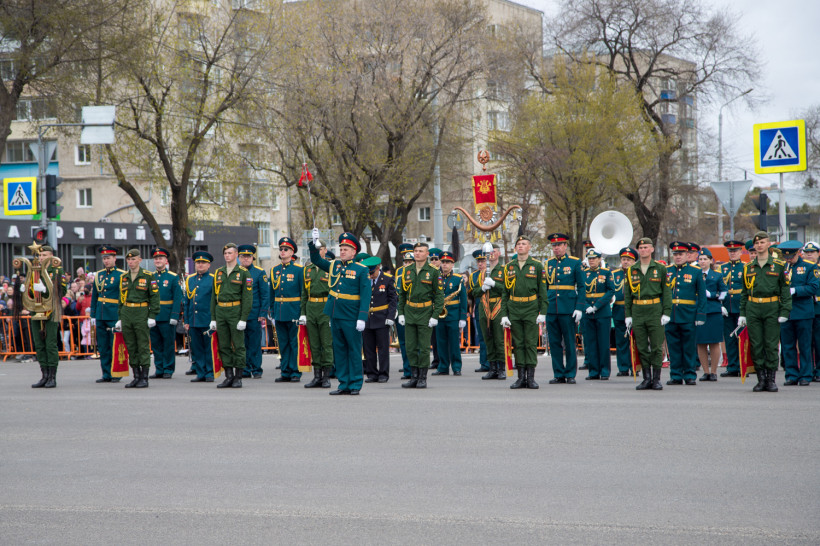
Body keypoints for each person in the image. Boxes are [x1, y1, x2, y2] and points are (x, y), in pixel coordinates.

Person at [308, 231, 371, 395]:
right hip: (335, 314)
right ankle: (343, 383)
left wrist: (362, 317)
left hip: (351, 315)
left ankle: (355, 383)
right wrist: (314, 244)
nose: (342, 251)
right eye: (341, 248)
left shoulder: (361, 270)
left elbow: (366, 295)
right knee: (340, 350)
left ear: (353, 252)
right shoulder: (334, 265)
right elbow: (316, 260)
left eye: (345, 249)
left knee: (354, 350)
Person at [738, 231, 792, 392]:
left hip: (772, 307)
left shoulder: (779, 266)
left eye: (762, 242)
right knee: (756, 344)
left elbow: (785, 291)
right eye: (757, 243)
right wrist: (742, 314)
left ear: (769, 244)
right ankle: (761, 379)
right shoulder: (748, 267)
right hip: (753, 307)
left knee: (771, 344)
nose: (759, 245)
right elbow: (744, 293)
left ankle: (771, 379)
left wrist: (785, 311)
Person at [499, 235, 547, 389]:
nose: (520, 246)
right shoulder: (509, 267)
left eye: (524, 243)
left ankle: (531, 378)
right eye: (518, 244)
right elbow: (504, 293)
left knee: (530, 343)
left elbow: (542, 291)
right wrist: (504, 314)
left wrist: (543, 312)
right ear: (515, 248)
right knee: (518, 343)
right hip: (514, 308)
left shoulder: (537, 266)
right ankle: (521, 378)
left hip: (531, 307)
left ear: (529, 247)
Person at [624, 237, 672, 390]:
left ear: (652, 249)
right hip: (638, 310)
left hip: (654, 309)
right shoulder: (632, 269)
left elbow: (666, 292)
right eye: (641, 247)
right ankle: (646, 378)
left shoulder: (660, 268)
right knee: (642, 346)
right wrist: (628, 315)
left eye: (646, 247)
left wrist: (666, 312)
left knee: (657, 346)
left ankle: (656, 379)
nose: (643, 250)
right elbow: (627, 295)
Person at [397, 242, 444, 389]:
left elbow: (439, 296)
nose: (417, 253)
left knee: (423, 347)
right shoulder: (407, 270)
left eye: (421, 251)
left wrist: (435, 315)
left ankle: (422, 378)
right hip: (410, 311)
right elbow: (402, 294)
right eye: (416, 251)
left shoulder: (433, 271)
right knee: (410, 347)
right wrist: (401, 313)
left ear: (427, 254)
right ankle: (414, 376)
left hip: (425, 312)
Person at [544, 233, 584, 384]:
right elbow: (545, 287)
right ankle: (558, 373)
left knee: (569, 342)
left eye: (559, 245)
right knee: (554, 343)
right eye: (554, 245)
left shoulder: (575, 262)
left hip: (568, 308)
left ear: (565, 246)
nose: (556, 248)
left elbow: (581, 286)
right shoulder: (548, 263)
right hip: (551, 308)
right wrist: (542, 309)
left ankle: (570, 374)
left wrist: (579, 307)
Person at [210, 243, 253, 389]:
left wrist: (243, 318)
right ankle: (228, 376)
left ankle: (238, 377)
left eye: (230, 253)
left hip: (235, 310)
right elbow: (213, 297)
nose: (227, 256)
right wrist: (213, 318)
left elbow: (247, 297)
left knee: (239, 345)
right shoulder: (219, 272)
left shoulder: (243, 273)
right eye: (225, 253)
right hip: (221, 310)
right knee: (224, 345)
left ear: (236, 255)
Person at [664, 242, 706, 386]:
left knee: (689, 347)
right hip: (671, 314)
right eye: (675, 254)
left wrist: (701, 314)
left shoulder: (696, 271)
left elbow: (701, 295)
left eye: (680, 254)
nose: (677, 257)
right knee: (673, 347)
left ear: (687, 255)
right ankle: (675, 375)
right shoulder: (667, 271)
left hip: (688, 314)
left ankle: (689, 374)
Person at [25, 244, 66, 389]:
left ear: (51, 256)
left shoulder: (56, 270)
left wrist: (46, 289)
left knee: (50, 344)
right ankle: (44, 375)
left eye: (44, 255)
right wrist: (26, 290)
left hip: (51, 309)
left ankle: (52, 376)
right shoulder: (34, 270)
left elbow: (63, 290)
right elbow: (30, 288)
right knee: (39, 344)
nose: (41, 258)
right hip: (36, 309)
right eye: (40, 255)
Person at [117, 249, 160, 388]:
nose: (131, 262)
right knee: (131, 345)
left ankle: (144, 377)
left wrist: (152, 315)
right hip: (127, 312)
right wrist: (120, 317)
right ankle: (136, 376)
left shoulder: (148, 276)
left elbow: (154, 297)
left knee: (142, 345)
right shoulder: (124, 277)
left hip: (141, 311)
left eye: (133, 259)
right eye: (128, 260)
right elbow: (121, 298)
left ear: (139, 260)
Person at [778, 240, 817, 386]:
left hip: (803, 311)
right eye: (786, 257)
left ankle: (806, 375)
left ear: (798, 253)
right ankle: (791, 374)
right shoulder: (782, 268)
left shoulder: (809, 267)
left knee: (805, 345)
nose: (788, 259)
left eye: (791, 256)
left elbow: (813, 287)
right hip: (786, 312)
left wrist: (795, 290)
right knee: (787, 345)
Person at [300, 242, 335, 388]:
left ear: (325, 250)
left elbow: (334, 292)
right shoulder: (307, 270)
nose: (318, 252)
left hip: (325, 307)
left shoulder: (330, 268)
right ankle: (317, 376)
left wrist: (332, 313)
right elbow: (304, 293)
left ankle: (326, 376)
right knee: (314, 344)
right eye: (315, 250)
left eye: (320, 249)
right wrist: (303, 313)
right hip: (311, 307)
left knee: (326, 344)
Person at [270, 237, 304, 383]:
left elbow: (303, 293)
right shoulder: (274, 270)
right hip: (279, 311)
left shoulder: (299, 270)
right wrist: (272, 311)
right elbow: (272, 293)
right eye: (281, 249)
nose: (283, 251)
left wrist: (302, 313)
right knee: (283, 343)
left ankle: (295, 371)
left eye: (286, 249)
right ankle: (285, 371)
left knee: (294, 343)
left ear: (292, 252)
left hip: (294, 310)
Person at [472, 244, 506, 380]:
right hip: (484, 307)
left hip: (498, 306)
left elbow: (507, 290)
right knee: (488, 339)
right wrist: (482, 288)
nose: (491, 254)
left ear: (499, 254)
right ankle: (492, 368)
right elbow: (474, 292)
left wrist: (494, 284)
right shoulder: (482, 273)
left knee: (499, 339)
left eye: (493, 251)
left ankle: (501, 368)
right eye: (489, 252)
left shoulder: (503, 270)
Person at [90, 245, 124, 382]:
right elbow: (95, 296)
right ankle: (106, 373)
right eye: (104, 258)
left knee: (114, 345)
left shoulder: (121, 275)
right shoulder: (99, 275)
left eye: (108, 258)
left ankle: (116, 373)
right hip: (101, 314)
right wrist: (93, 315)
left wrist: (121, 316)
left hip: (114, 314)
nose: (106, 261)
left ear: (115, 258)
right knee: (103, 346)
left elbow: (123, 297)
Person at [581, 248, 616, 381]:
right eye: (589, 259)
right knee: (591, 343)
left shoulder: (606, 272)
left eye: (594, 258)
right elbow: (580, 291)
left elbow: (611, 291)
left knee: (603, 343)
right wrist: (586, 306)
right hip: (587, 312)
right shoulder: (583, 273)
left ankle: (605, 371)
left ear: (599, 259)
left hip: (602, 312)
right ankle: (593, 371)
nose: (591, 261)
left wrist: (596, 306)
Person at [363, 255, 397, 382]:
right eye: (369, 273)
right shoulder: (365, 279)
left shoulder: (387, 279)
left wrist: (390, 316)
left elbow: (393, 300)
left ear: (378, 268)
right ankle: (372, 373)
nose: (371, 275)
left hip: (382, 318)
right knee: (369, 348)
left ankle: (383, 373)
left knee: (383, 349)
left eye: (372, 273)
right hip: (367, 318)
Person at [149, 247, 182, 379]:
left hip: (167, 315)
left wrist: (174, 315)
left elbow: (177, 297)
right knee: (156, 345)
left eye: (160, 258)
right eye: (156, 259)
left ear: (166, 261)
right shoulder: (150, 276)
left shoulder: (173, 277)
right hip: (153, 316)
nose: (158, 261)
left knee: (168, 344)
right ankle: (159, 369)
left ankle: (168, 369)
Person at [432, 251, 468, 376]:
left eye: (448, 262)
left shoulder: (458, 279)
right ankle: (443, 367)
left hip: (453, 315)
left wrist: (462, 317)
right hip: (439, 315)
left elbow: (463, 299)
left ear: (453, 265)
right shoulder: (436, 277)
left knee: (454, 343)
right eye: (443, 262)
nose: (445, 264)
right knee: (440, 343)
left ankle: (456, 367)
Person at [238, 244, 270, 379]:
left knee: (254, 343)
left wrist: (263, 313)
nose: (246, 259)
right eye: (243, 256)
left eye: (248, 256)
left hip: (254, 314)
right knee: (241, 343)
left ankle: (256, 369)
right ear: (239, 258)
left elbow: (265, 294)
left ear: (253, 258)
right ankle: (245, 369)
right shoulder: (235, 272)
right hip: (239, 314)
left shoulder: (259, 272)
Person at [696, 248, 728, 381]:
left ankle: (713, 371)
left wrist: (712, 295)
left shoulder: (717, 275)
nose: (702, 261)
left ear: (710, 261)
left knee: (714, 342)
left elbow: (724, 292)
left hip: (713, 310)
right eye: (700, 259)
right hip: (699, 311)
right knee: (701, 342)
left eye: (705, 259)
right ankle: (705, 371)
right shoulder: (695, 274)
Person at [185, 251, 215, 382]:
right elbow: (187, 301)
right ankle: (200, 372)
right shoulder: (190, 279)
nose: (200, 265)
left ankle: (209, 372)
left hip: (207, 319)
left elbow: (216, 301)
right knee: (197, 348)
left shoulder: (213, 279)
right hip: (194, 320)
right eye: (198, 263)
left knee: (209, 348)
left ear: (209, 265)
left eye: (203, 263)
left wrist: (215, 319)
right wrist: (187, 320)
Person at [720, 240, 746, 378]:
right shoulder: (722, 268)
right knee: (729, 338)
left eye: (735, 251)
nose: (733, 253)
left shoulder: (745, 267)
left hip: (741, 306)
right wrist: (720, 305)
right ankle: (732, 367)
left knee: (742, 338)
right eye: (730, 251)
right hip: (727, 306)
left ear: (740, 252)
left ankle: (743, 367)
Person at [612, 247, 637, 376]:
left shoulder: (637, 273)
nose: (625, 262)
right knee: (621, 340)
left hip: (634, 310)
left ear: (634, 261)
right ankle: (623, 367)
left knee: (634, 340)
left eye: (628, 259)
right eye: (623, 259)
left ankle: (635, 367)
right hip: (619, 310)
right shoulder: (614, 274)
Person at [467, 249, 490, 373]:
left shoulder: (492, 272)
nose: (480, 264)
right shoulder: (474, 276)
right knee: (482, 337)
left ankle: (495, 363)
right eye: (478, 261)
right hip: (480, 307)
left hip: (493, 307)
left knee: (493, 337)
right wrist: (470, 309)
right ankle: (484, 363)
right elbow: (471, 294)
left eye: (483, 261)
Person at [393, 244, 414, 379]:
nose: (407, 264)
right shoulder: (399, 273)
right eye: (405, 261)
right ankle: (407, 370)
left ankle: (416, 370)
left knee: (415, 343)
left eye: (410, 261)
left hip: (415, 310)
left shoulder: (419, 273)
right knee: (403, 342)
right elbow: (397, 292)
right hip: (402, 309)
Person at [801, 242, 820, 382]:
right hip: (805, 309)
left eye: (812, 252)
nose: (809, 255)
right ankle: (808, 370)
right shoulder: (801, 269)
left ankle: (818, 370)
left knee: (818, 342)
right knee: (806, 343)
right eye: (806, 252)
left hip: (818, 309)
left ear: (818, 253)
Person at [427, 247, 443, 370]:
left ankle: (444, 361)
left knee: (442, 338)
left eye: (436, 259)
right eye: (431, 259)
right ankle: (436, 359)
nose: (433, 261)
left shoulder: (442, 273)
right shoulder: (428, 273)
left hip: (442, 308)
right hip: (430, 309)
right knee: (433, 338)